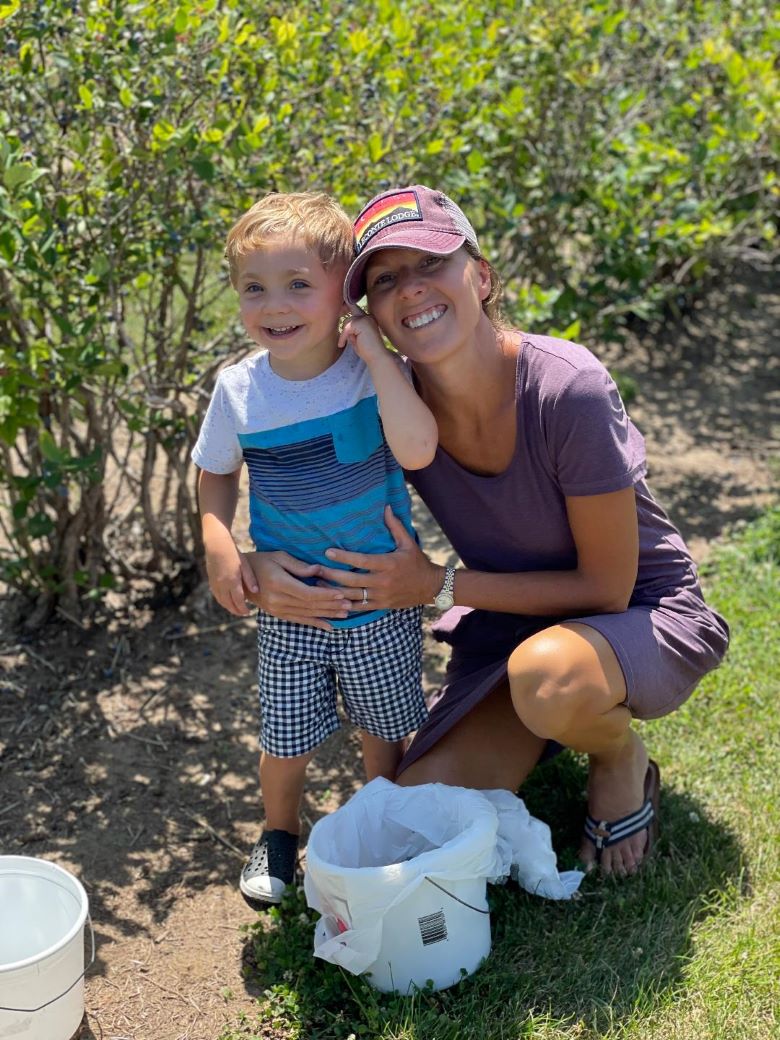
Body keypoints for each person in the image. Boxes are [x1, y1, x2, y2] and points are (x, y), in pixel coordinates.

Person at [246, 184, 730, 877]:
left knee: (550, 682)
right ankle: (552, 718)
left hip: (637, 611)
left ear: (481, 274)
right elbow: (306, 494)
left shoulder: (568, 387)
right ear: (373, 315)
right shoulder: (395, 407)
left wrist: (436, 585)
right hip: (512, 625)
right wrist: (252, 563)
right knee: (412, 818)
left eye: (432, 264)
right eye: (385, 280)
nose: (411, 290)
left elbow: (606, 584)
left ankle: (618, 755)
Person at [192, 192, 438, 906]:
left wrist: (376, 353)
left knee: (383, 727)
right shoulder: (240, 391)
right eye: (254, 288)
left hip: (379, 597)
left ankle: (379, 822)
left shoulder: (371, 374)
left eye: (300, 284)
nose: (276, 304)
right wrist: (219, 543)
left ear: (345, 294)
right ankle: (277, 834)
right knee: (285, 738)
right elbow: (215, 475)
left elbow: (417, 447)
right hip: (289, 607)